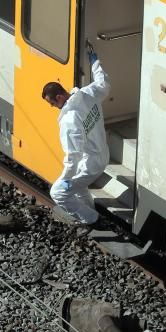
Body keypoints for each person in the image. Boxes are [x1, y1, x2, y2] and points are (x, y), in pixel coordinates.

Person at [41, 43, 111, 224]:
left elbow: (73, 155)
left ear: (59, 97)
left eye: (52, 103)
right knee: (78, 188)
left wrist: (65, 178)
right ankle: (90, 210)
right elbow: (103, 82)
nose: (53, 107)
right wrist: (95, 62)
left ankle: (91, 219)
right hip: (102, 154)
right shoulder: (88, 93)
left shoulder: (70, 120)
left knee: (58, 192)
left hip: (90, 163)